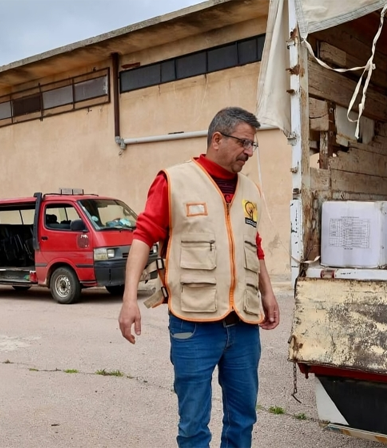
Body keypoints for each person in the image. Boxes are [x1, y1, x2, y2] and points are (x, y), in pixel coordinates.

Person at [118, 107, 280, 448]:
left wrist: (268, 293)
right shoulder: (174, 180)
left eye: (254, 145)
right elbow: (143, 236)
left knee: (243, 419)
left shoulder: (251, 190)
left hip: (244, 325)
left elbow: (255, 245)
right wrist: (129, 299)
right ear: (217, 139)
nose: (249, 152)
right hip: (193, 325)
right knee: (193, 425)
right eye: (244, 143)